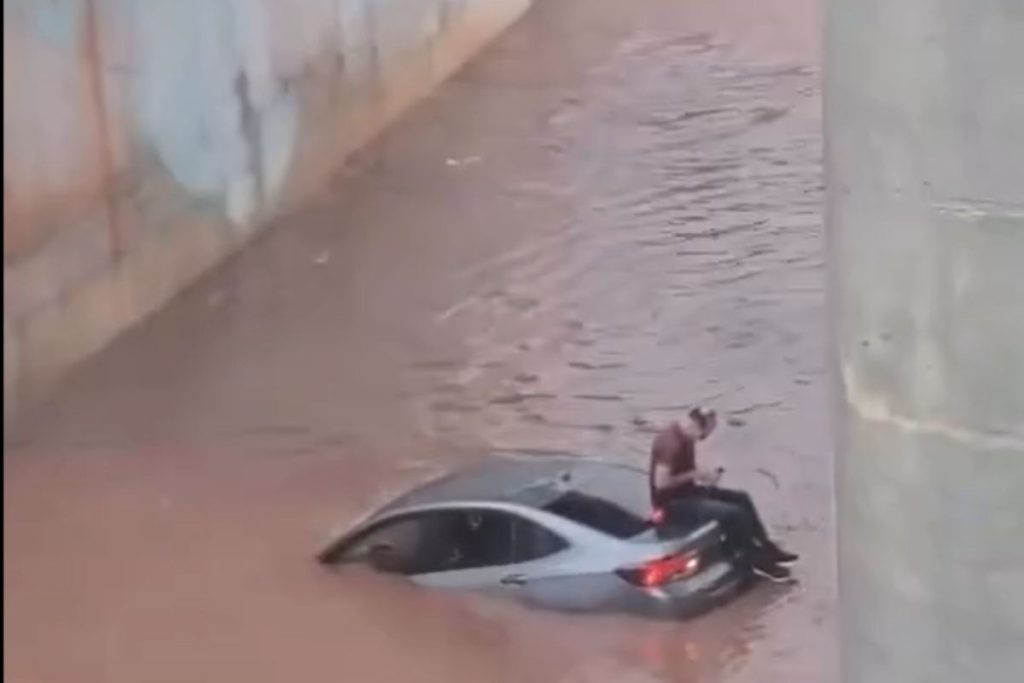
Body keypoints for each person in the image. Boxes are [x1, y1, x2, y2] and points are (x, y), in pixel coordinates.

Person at [648, 407, 798, 581]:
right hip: (671, 505)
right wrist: (694, 474)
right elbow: (661, 483)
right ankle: (752, 560)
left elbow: (683, 473)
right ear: (697, 425)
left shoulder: (687, 435)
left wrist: (705, 476)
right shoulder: (670, 443)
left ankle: (766, 547)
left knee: (742, 498)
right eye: (708, 432)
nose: (707, 437)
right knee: (733, 514)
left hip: (687, 492)